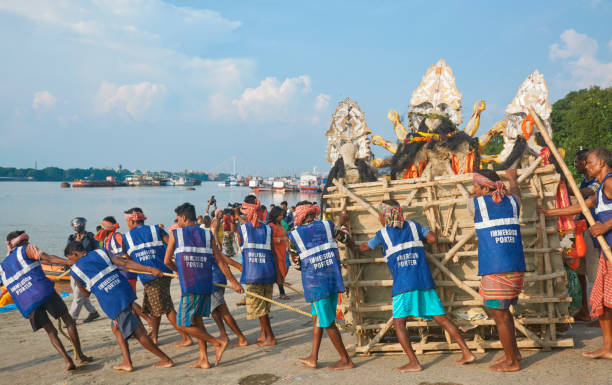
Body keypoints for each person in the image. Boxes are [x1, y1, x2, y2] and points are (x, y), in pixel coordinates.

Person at [357, 200, 475, 372]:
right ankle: (467, 352)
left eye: (381, 215)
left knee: (399, 324)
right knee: (441, 318)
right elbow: (433, 239)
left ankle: (414, 362)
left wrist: (351, 243)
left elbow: (365, 247)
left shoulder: (383, 235)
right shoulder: (414, 226)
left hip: (404, 285)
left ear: (386, 217)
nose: (379, 218)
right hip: (424, 281)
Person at [539, 148, 612, 359]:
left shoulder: (609, 181)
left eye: (589, 162)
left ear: (602, 163)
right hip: (605, 254)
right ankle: (608, 347)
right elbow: (581, 206)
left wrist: (605, 226)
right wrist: (549, 212)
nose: (586, 166)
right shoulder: (599, 190)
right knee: (604, 303)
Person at [65, 242, 174, 372]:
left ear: (75, 254)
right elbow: (125, 263)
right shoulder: (101, 252)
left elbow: (85, 294)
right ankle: (127, 362)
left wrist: (79, 282)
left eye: (70, 258)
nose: (70, 261)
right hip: (123, 289)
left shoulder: (75, 270)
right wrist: (149, 269)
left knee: (138, 332)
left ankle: (165, 359)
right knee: (116, 328)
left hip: (112, 300)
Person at [164, 203, 244, 368]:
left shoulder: (176, 234)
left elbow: (166, 261)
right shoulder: (207, 235)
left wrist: (178, 270)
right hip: (206, 284)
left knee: (183, 323)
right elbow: (220, 261)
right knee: (197, 321)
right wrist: (234, 282)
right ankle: (204, 359)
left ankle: (217, 342)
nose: (178, 222)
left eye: (178, 218)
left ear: (184, 217)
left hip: (190, 285)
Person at [0, 231, 91, 370]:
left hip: (27, 303)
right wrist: (68, 262)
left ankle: (68, 361)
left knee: (51, 332)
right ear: (21, 242)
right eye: (27, 240)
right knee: (68, 321)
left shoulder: (3, 266)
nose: (29, 242)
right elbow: (47, 259)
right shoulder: (26, 250)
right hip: (43, 292)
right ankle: (79, 355)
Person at [470, 168, 525, 372]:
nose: (473, 190)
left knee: (499, 314)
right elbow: (516, 193)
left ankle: (512, 362)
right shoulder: (513, 202)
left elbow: (473, 198)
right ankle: (514, 353)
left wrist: (483, 192)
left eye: (476, 186)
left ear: (485, 188)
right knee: (502, 312)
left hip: (496, 267)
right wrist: (512, 179)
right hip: (514, 265)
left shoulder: (475, 205)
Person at [288, 202, 354, 370]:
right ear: (313, 213)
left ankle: (346, 360)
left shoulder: (294, 236)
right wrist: (343, 222)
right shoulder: (328, 225)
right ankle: (313, 357)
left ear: (300, 216)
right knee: (318, 318)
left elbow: (296, 264)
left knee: (328, 323)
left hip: (316, 285)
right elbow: (346, 238)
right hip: (333, 280)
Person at [122, 207, 191, 346]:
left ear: (131, 221)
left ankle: (186, 337)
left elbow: (128, 260)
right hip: (164, 272)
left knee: (166, 308)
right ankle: (154, 337)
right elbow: (173, 244)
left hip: (151, 277)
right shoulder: (155, 229)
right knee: (155, 307)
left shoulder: (126, 238)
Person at [235, 195, 283, 346]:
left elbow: (242, 252)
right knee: (264, 307)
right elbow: (273, 254)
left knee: (260, 310)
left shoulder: (241, 230)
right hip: (268, 273)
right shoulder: (268, 229)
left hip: (253, 275)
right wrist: (279, 275)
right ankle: (264, 334)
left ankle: (271, 337)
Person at [198, 221, 249, 348]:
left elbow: (221, 258)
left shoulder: (205, 245)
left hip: (215, 280)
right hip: (209, 280)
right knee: (214, 310)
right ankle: (223, 334)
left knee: (223, 310)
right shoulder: (202, 243)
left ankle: (241, 338)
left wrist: (235, 276)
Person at [94, 216, 151, 329]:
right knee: (128, 302)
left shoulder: (117, 236)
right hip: (120, 272)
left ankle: (149, 321)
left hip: (127, 271)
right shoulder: (107, 240)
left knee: (128, 301)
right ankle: (142, 328)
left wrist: (124, 258)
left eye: (102, 227)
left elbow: (127, 249)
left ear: (107, 227)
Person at [572, 149, 601, 322]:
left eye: (577, 162)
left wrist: (567, 187)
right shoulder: (584, 180)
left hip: (594, 230)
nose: (575, 165)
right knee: (580, 271)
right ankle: (585, 309)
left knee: (597, 273)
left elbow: (587, 195)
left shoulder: (600, 180)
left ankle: (603, 315)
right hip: (583, 229)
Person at [67, 217, 100, 323]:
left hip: (86, 270)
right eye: (76, 225)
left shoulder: (90, 236)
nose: (78, 226)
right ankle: (93, 312)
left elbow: (96, 251)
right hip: (74, 270)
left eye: (80, 224)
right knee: (80, 293)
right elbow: (68, 252)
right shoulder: (71, 238)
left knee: (77, 295)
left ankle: (72, 318)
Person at [268, 207, 290, 300]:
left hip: (283, 250)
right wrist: (281, 239)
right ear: (275, 215)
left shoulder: (280, 223)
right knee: (280, 271)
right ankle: (282, 292)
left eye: (282, 214)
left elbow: (284, 235)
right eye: (280, 214)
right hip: (276, 251)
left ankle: (280, 285)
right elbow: (269, 239)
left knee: (285, 268)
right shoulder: (270, 225)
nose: (282, 216)